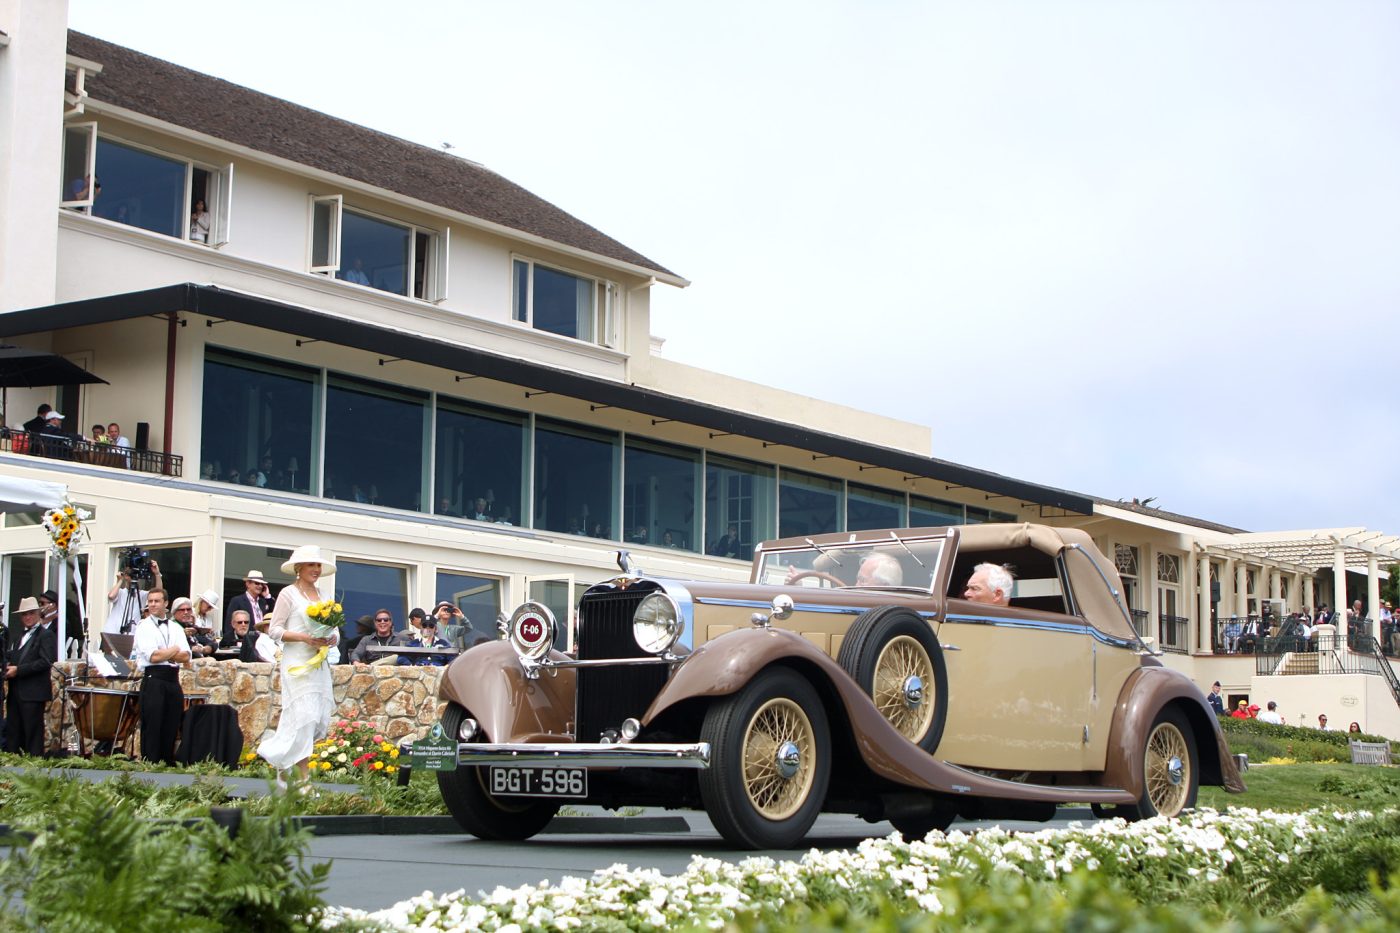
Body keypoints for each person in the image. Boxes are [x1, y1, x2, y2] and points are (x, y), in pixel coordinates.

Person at [257, 545, 339, 789]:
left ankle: (284, 769)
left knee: (314, 721)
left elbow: (335, 630)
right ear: (299, 568)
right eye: (311, 564)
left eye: (318, 565)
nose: (316, 569)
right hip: (297, 664)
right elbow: (274, 630)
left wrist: (330, 638)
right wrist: (304, 638)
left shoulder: (325, 595)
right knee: (303, 717)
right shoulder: (288, 594)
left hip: (318, 664)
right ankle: (303, 780)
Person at [132, 589, 189, 764]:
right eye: (150, 601)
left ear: (166, 603)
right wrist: (174, 650)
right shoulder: (144, 627)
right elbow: (153, 657)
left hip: (173, 678)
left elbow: (186, 656)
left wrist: (167, 653)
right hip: (154, 678)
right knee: (153, 724)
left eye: (156, 601)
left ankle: (167, 764)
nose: (152, 604)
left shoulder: (176, 627)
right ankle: (151, 764)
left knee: (172, 723)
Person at [5, 597, 56, 756]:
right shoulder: (19, 637)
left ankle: (34, 765)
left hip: (33, 692)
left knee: (33, 734)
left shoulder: (46, 635)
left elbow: (46, 661)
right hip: (16, 691)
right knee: (13, 732)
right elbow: (15, 657)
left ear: (38, 614)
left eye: (31, 613)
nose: (28, 617)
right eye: (24, 614)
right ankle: (13, 763)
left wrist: (18, 670)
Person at [103, 559, 164, 635]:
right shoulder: (121, 592)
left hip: (132, 634)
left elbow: (159, 593)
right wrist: (121, 580)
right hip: (112, 632)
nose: (132, 579)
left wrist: (157, 574)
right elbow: (111, 596)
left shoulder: (141, 594)